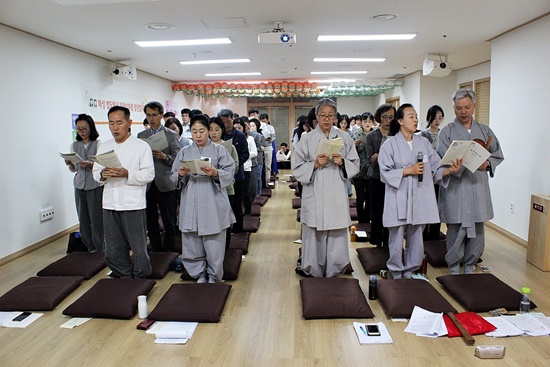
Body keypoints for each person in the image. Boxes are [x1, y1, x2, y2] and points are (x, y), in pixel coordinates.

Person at [378, 104, 462, 279]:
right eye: (410, 116)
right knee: (396, 236)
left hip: (420, 196)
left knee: (416, 237)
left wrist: (449, 171)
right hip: (398, 196)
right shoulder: (389, 144)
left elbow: (435, 167)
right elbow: (384, 173)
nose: (415, 119)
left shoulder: (423, 142)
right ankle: (395, 271)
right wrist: (408, 170)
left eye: (416, 116)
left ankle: (410, 270)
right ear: (400, 121)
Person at [437, 88, 504, 274]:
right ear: (454, 108)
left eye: (467, 107)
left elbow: (497, 154)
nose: (463, 111)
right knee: (455, 228)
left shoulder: (485, 130)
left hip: (477, 186)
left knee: (477, 227)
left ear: (474, 106)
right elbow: (439, 160)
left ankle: (470, 263)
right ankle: (453, 264)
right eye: (459, 108)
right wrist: (452, 168)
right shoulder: (447, 132)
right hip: (456, 187)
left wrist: (487, 164)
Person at [291, 98, 360, 277]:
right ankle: (312, 268)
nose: (326, 119)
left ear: (335, 117)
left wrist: (342, 162)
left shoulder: (344, 138)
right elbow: (296, 166)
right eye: (323, 115)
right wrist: (314, 164)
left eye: (330, 115)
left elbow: (355, 163)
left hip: (336, 191)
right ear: (317, 116)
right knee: (314, 231)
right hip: (314, 191)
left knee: (336, 231)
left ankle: (336, 268)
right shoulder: (307, 139)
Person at [171, 114, 236, 283]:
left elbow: (230, 172)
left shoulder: (219, 150)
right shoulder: (184, 152)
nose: (198, 135)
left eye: (202, 131)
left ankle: (214, 275)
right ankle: (198, 273)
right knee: (191, 241)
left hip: (212, 199)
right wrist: (180, 174)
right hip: (190, 198)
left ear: (208, 131)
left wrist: (216, 173)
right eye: (194, 131)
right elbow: (173, 176)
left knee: (214, 241)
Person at [92, 106, 154, 278]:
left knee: (138, 245)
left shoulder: (141, 146)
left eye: (119, 123)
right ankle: (122, 274)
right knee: (112, 246)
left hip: (133, 203)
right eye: (111, 123)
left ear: (129, 123)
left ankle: (141, 275)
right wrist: (103, 174)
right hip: (110, 202)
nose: (115, 127)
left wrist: (127, 173)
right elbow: (96, 172)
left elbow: (149, 174)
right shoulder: (104, 146)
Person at [137, 101, 181, 253]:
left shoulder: (171, 135)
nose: (151, 118)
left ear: (161, 115)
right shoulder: (141, 136)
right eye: (148, 115)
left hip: (166, 181)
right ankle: (155, 248)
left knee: (169, 219)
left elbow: (178, 159)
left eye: (154, 115)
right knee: (150, 219)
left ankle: (169, 249)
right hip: (148, 183)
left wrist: (164, 156)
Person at [65, 114, 104, 253]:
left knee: (96, 218)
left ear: (91, 128)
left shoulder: (99, 144)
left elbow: (102, 166)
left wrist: (91, 164)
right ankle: (89, 246)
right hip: (79, 185)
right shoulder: (74, 145)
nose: (81, 132)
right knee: (83, 218)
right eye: (79, 129)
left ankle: (100, 248)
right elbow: (74, 169)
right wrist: (70, 164)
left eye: (84, 128)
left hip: (95, 185)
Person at [366, 104, 395, 247]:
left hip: (393, 178)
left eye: (391, 117)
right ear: (379, 118)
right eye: (384, 117)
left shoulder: (398, 134)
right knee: (377, 210)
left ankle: (390, 239)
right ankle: (377, 240)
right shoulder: (372, 135)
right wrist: (378, 155)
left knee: (392, 210)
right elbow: (369, 160)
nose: (387, 120)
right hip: (376, 177)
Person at [218, 109, 249, 233]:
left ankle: (238, 229)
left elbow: (245, 154)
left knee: (236, 204)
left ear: (233, 119)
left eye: (228, 121)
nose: (226, 124)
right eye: (223, 122)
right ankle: (225, 228)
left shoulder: (240, 135)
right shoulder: (219, 135)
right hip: (221, 174)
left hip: (237, 175)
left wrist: (233, 164)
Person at [209, 117, 239, 248]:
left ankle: (225, 247)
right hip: (208, 189)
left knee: (225, 220)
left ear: (222, 131)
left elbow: (236, 167)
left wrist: (221, 170)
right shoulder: (203, 147)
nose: (213, 133)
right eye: (210, 129)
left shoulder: (229, 147)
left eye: (217, 129)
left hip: (226, 188)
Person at [420, 105, 445, 240]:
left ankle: (435, 233)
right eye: (434, 117)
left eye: (440, 118)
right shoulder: (423, 135)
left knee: (438, 205)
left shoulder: (444, 133)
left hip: (441, 173)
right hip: (427, 175)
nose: (437, 120)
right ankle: (423, 234)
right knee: (426, 203)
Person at [351, 112, 374, 224]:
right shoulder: (356, 136)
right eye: (365, 121)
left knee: (370, 199)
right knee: (360, 200)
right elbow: (350, 155)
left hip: (372, 172)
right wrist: (354, 146)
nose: (367, 124)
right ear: (361, 122)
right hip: (359, 172)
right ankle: (361, 220)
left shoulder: (376, 135)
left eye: (369, 121)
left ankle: (368, 220)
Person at [233, 117, 257, 216]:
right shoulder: (232, 138)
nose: (238, 130)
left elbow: (254, 153)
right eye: (236, 128)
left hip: (246, 167)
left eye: (240, 128)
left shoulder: (249, 138)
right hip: (234, 169)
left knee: (246, 192)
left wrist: (242, 156)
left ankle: (247, 212)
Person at [249, 118, 267, 195]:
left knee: (258, 177)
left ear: (257, 127)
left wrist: (254, 148)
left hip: (258, 159)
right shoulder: (247, 136)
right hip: (250, 160)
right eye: (250, 126)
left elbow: (263, 148)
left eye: (253, 126)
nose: (251, 127)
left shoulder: (260, 136)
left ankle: (258, 193)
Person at [259, 113, 276, 181]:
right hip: (260, 147)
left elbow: (274, 137)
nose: (263, 123)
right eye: (262, 121)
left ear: (267, 120)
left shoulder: (270, 127)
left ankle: (267, 180)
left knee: (268, 165)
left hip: (268, 146)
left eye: (265, 121)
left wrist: (269, 139)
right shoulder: (258, 127)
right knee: (260, 165)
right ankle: (261, 180)